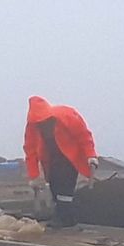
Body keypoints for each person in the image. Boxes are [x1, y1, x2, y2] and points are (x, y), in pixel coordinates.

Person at [24, 96, 99, 228]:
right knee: (54, 186)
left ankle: (65, 218)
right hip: (51, 158)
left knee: (64, 187)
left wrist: (91, 155)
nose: (43, 124)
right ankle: (63, 215)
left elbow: (84, 136)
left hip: (70, 156)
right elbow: (30, 151)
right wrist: (34, 176)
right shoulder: (32, 126)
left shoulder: (67, 115)